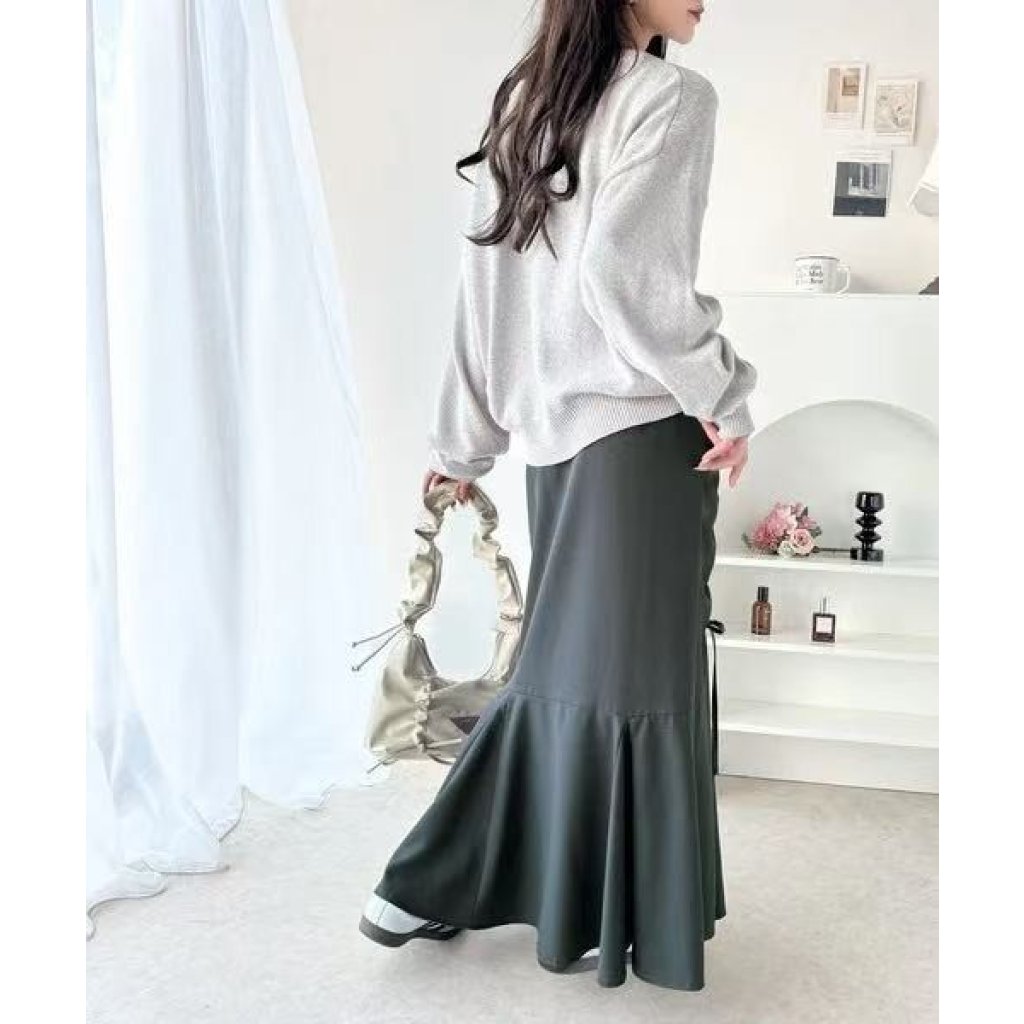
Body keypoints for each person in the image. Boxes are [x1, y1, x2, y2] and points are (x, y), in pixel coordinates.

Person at [359, 0, 755, 991]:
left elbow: (483, 287)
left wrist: (463, 442)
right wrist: (722, 393)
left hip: (555, 445)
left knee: (576, 682)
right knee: (618, 689)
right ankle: (432, 878)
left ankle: (483, 890)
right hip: (640, 441)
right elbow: (628, 276)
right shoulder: (671, 99)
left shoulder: (528, 102)